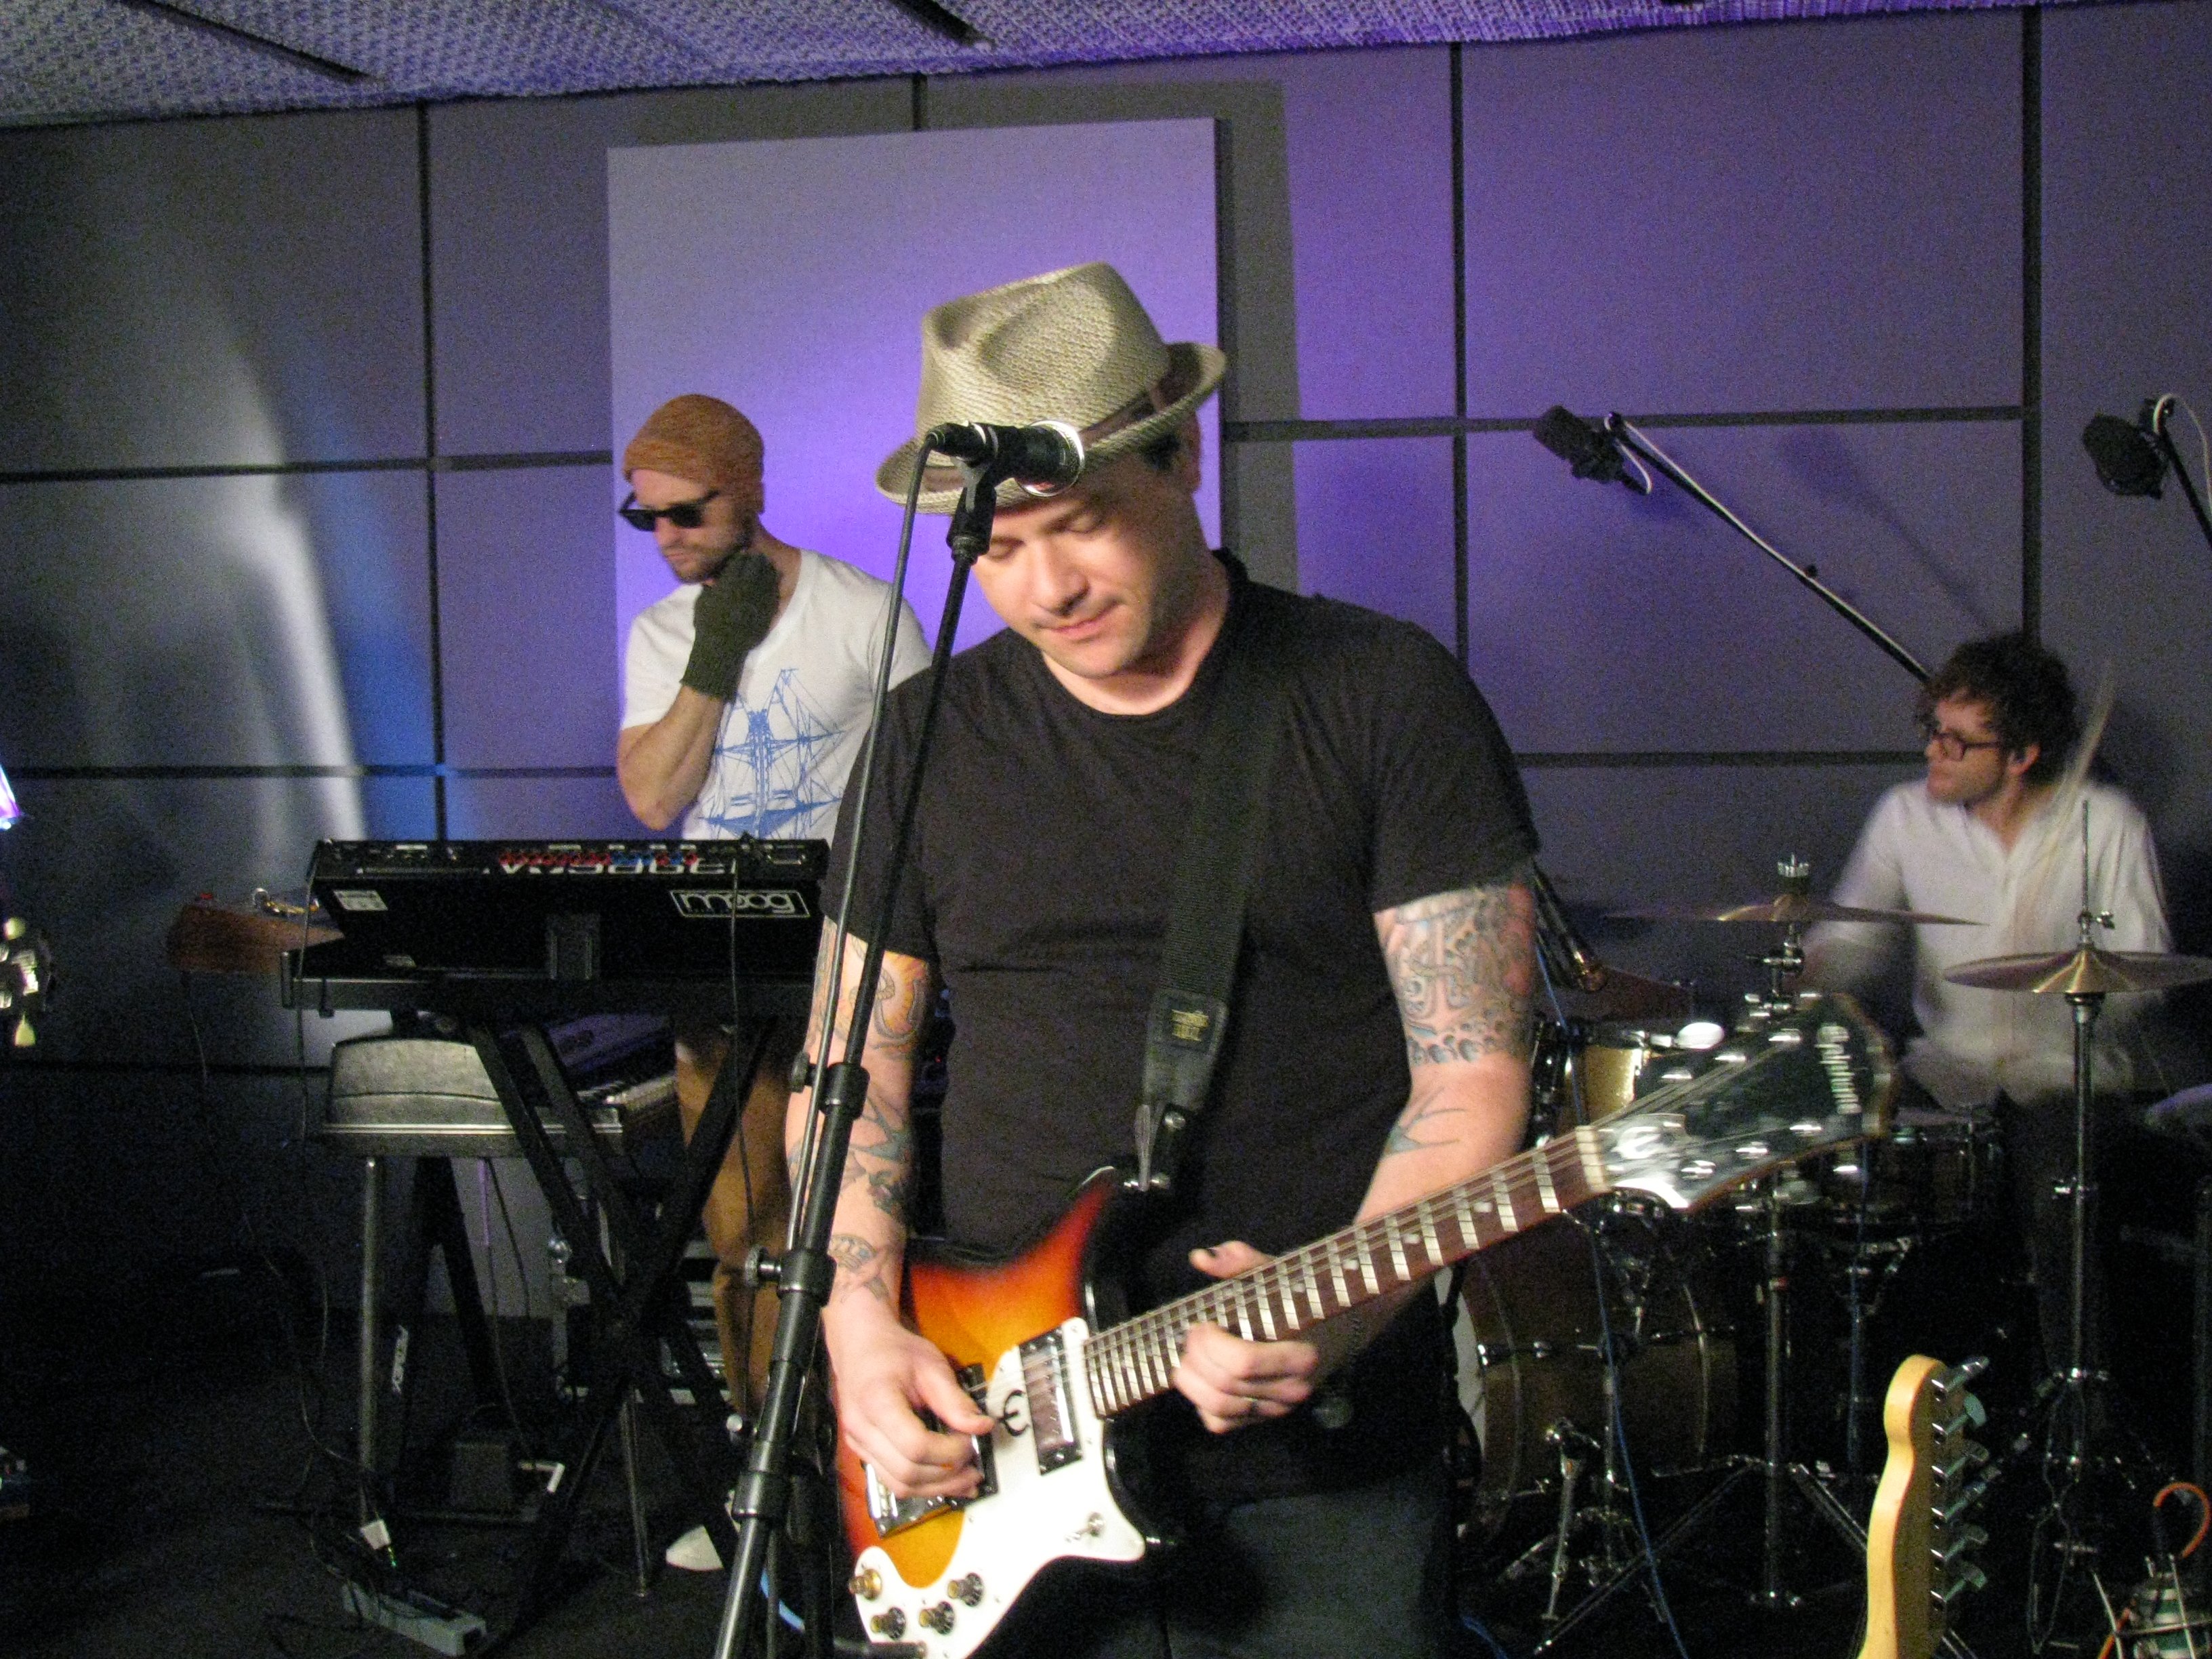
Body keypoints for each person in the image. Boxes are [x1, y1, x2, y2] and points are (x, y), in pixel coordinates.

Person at [789, 263, 1539, 1657]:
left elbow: (1472, 1078)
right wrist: (857, 1328)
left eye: (1081, 525)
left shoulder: (1380, 695)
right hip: (992, 1436)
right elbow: (850, 1067)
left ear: (1185, 458)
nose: (1045, 588)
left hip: (1316, 1460)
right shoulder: (928, 733)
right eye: (999, 547)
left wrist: (1345, 1311)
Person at [613, 394, 929, 1569]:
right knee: (742, 1228)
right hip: (722, 976)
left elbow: (930, 780)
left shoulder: (862, 613)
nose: (667, 538)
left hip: (848, 960)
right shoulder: (665, 632)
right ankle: (763, 1477)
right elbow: (653, 799)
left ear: (747, 489)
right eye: (645, 518)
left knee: (855, 1225)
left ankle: (871, 1466)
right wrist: (716, 653)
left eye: (687, 513)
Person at [1807, 631, 2172, 1372]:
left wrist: (2076, 982)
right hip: (1947, 1075)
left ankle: (2077, 1408)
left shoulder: (2106, 825)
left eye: (1957, 742)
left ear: (2021, 755)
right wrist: (1808, 966)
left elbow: (2150, 974)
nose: (1933, 752)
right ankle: (1896, 1400)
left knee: (2059, 1198)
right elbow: (1853, 941)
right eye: (1933, 731)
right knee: (1842, 1178)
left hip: (2064, 1082)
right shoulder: (1905, 817)